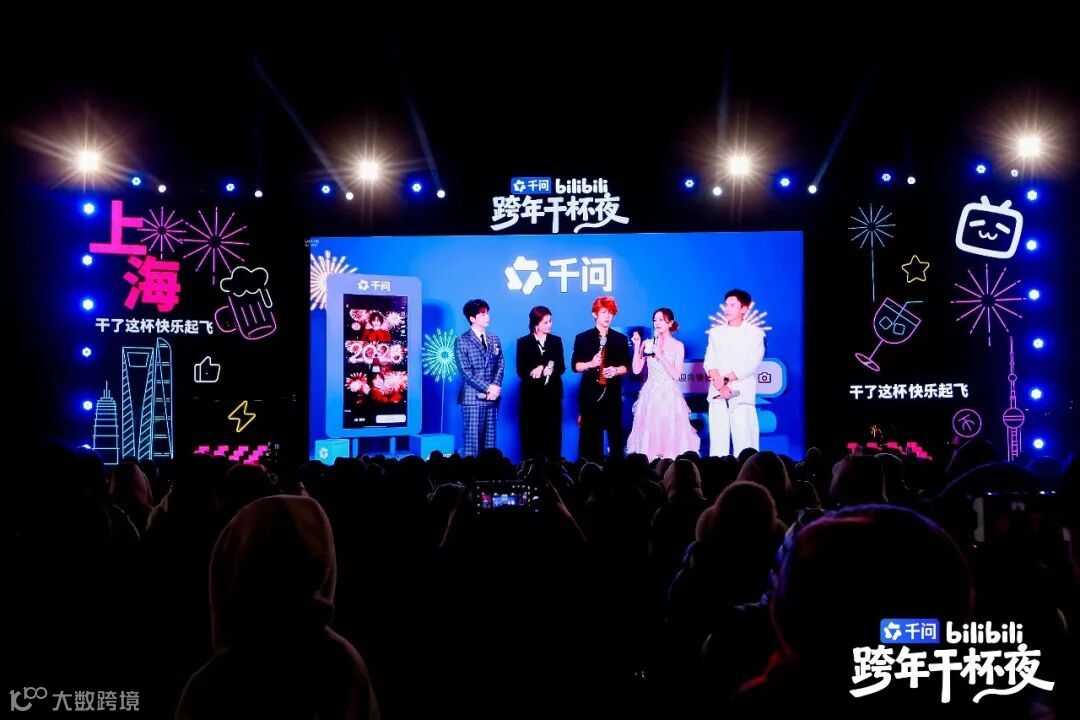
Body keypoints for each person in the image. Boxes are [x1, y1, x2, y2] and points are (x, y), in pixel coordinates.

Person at [626, 307, 701, 458]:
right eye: (655, 320)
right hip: (650, 393)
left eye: (661, 320)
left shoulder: (678, 346)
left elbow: (676, 375)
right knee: (649, 431)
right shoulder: (647, 343)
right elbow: (636, 369)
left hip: (669, 394)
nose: (657, 323)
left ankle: (670, 463)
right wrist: (637, 346)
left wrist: (660, 355)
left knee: (670, 431)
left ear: (670, 323)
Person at [704, 289, 765, 457]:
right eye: (726, 305)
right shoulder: (715, 333)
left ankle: (747, 472)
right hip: (717, 394)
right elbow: (709, 361)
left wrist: (725, 379)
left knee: (745, 445)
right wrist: (719, 384)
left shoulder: (755, 334)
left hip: (742, 394)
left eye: (732, 305)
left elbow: (751, 364)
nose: (727, 308)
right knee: (718, 445)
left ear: (744, 308)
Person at [571, 295, 631, 461]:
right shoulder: (583, 338)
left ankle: (616, 469)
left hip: (612, 395)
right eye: (604, 312)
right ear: (595, 314)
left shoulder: (620, 339)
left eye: (610, 313)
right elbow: (575, 366)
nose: (607, 316)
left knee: (616, 437)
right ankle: (587, 470)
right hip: (590, 396)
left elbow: (626, 366)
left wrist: (616, 370)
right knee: (589, 439)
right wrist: (590, 363)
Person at [454, 299, 504, 456]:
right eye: (482, 314)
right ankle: (471, 471)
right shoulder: (462, 340)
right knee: (472, 443)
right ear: (472, 318)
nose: (487, 317)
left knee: (490, 443)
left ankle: (488, 471)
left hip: (492, 397)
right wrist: (489, 387)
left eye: (487, 313)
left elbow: (500, 364)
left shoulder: (494, 339)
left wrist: (495, 386)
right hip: (473, 398)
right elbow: (465, 372)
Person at [516, 305, 566, 461]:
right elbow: (521, 370)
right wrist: (536, 369)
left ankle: (554, 467)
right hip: (531, 398)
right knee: (530, 435)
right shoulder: (523, 343)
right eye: (545, 322)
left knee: (553, 435)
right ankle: (530, 468)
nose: (549, 325)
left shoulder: (556, 341)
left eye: (550, 321)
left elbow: (561, 367)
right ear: (535, 324)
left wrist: (548, 368)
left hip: (552, 397)